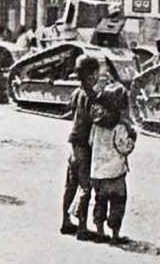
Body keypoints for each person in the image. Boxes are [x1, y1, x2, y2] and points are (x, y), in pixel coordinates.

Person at [89, 77, 136, 244]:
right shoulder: (120, 127)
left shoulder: (96, 124)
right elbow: (124, 148)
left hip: (98, 173)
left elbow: (90, 142)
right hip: (116, 173)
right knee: (117, 204)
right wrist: (132, 138)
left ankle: (100, 232)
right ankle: (115, 235)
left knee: (100, 202)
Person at [61, 55, 100, 240]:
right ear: (92, 76)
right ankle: (82, 228)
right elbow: (98, 119)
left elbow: (70, 110)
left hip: (73, 144)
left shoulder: (76, 92)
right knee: (85, 187)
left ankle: (65, 221)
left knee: (70, 185)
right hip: (84, 145)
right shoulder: (92, 96)